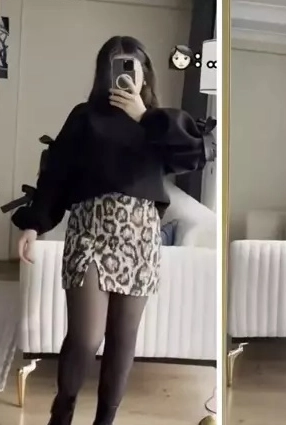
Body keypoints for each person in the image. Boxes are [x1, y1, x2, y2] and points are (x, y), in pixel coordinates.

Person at [12, 35, 214, 425]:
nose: (122, 73)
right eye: (114, 65)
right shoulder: (83, 117)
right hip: (89, 233)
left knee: (123, 340)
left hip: (139, 239)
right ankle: (63, 410)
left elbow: (193, 154)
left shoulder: (159, 121)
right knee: (86, 337)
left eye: (130, 65)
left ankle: (105, 420)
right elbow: (56, 174)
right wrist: (34, 224)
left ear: (144, 74)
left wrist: (144, 116)